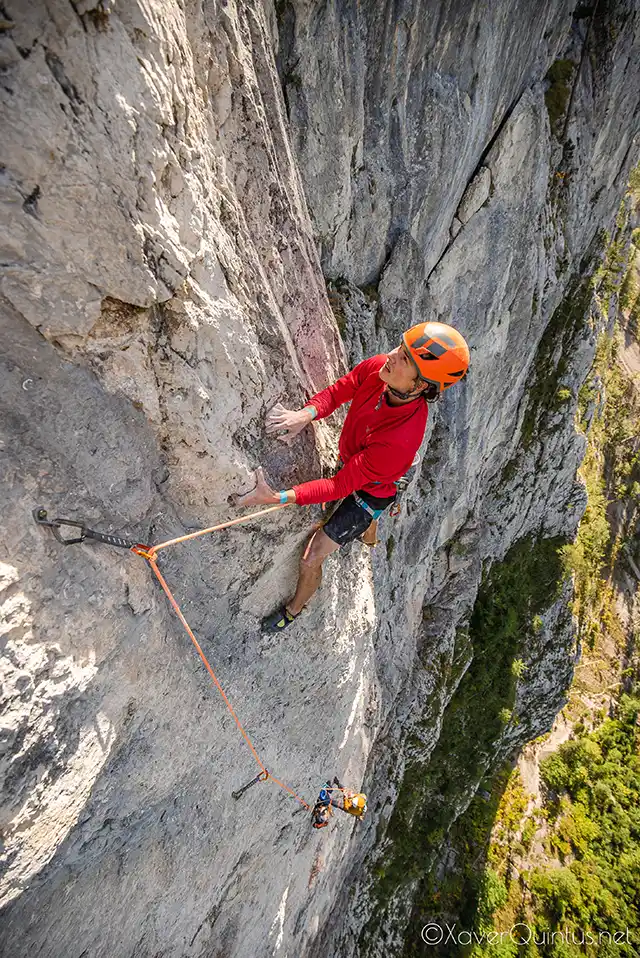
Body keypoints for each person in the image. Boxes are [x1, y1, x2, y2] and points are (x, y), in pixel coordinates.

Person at [235, 322, 470, 632]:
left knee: (311, 556)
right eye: (400, 348)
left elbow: (340, 485)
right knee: (370, 478)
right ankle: (375, 512)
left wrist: (278, 497)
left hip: (371, 491)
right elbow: (341, 390)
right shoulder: (379, 369)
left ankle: (293, 611)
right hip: (364, 464)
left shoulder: (398, 441)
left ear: (420, 386)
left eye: (404, 359)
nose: (391, 356)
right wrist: (305, 415)